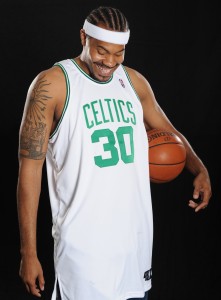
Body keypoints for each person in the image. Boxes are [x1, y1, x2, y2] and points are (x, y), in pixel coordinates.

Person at [17, 6, 212, 300]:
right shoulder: (52, 85)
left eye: (119, 53)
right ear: (83, 37)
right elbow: (29, 171)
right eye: (101, 51)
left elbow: (171, 134)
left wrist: (199, 169)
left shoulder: (134, 83)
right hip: (84, 251)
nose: (110, 61)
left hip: (134, 245)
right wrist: (28, 252)